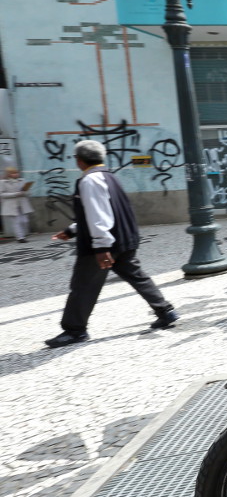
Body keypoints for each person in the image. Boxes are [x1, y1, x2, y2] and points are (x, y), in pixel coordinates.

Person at [45, 140, 177, 347]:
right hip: (123, 239)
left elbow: (99, 215)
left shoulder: (89, 181)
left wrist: (102, 246)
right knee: (137, 276)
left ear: (79, 160)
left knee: (83, 286)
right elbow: (100, 213)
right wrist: (71, 231)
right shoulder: (110, 177)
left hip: (105, 245)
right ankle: (166, 311)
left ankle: (75, 330)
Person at [1, 166, 33, 242]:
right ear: (9, 174)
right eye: (14, 173)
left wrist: (25, 192)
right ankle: (20, 237)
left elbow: (29, 192)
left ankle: (22, 235)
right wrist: (15, 194)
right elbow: (2, 194)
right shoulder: (3, 182)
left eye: (17, 172)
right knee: (16, 222)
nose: (16, 174)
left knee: (25, 221)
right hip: (11, 205)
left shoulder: (22, 180)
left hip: (22, 203)